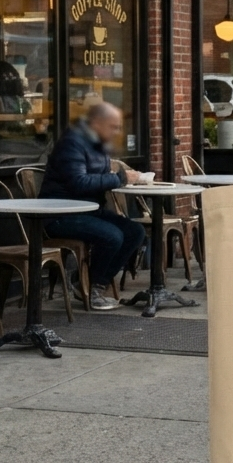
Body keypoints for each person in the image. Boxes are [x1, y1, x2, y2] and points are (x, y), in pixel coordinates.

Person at [40, 102, 147, 310]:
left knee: (135, 231)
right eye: (113, 126)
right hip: (59, 212)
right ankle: (89, 288)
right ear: (97, 123)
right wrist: (120, 179)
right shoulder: (73, 143)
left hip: (87, 208)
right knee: (112, 236)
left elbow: (98, 176)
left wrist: (120, 177)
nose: (117, 131)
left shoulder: (98, 144)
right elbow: (78, 182)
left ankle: (93, 283)